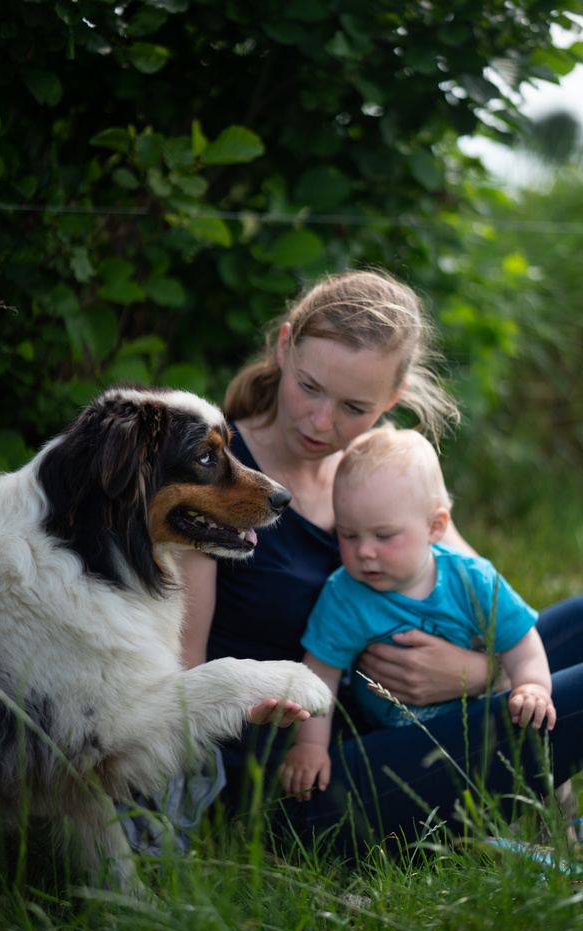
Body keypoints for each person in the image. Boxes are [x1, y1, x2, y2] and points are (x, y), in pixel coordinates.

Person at [178, 268, 583, 853]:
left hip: (417, 717)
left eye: (353, 406)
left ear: (390, 401)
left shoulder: (382, 470)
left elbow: (483, 594)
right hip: (300, 778)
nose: (322, 422)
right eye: (310, 387)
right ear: (285, 346)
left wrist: (479, 674)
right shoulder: (215, 475)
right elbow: (182, 673)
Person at [279, 425, 555, 802]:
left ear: (435, 527)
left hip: (475, 719)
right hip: (392, 739)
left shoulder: (472, 580)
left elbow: (522, 646)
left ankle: (556, 830)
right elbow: (320, 675)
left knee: (535, 731)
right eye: (349, 535)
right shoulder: (344, 595)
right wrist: (310, 745)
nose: (365, 552)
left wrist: (532, 686)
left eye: (385, 535)